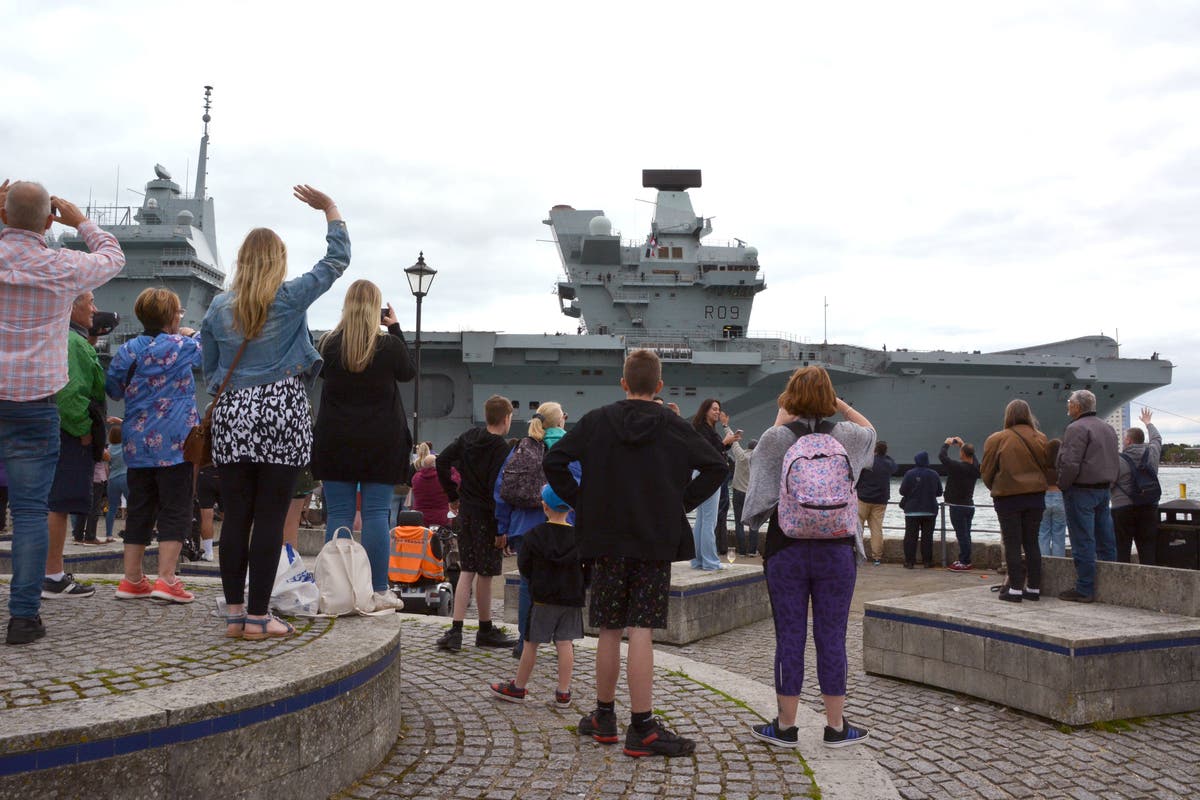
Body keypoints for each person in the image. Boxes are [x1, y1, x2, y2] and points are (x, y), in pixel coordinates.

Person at [545, 349, 726, 758]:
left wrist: (582, 502)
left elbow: (555, 460)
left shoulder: (597, 420)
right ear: (659, 386)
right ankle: (642, 726)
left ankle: (604, 717)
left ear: (623, 383)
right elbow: (717, 466)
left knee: (608, 628)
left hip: (605, 539)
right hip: (653, 539)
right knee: (641, 628)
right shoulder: (674, 425)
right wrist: (679, 503)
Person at [201, 184, 348, 639]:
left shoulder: (218, 306)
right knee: (270, 516)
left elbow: (209, 367)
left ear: (243, 260)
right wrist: (330, 210)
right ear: (277, 261)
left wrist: (233, 393)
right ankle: (260, 615)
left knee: (236, 516)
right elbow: (335, 263)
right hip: (282, 410)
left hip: (233, 413)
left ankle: (233, 614)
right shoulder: (287, 298)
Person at [1, 179, 124, 644]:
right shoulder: (61, 266)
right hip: (34, 404)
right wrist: (81, 221)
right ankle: (24, 618)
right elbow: (113, 258)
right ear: (50, 219)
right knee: (32, 512)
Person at [742, 365, 876, 748]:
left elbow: (755, 507)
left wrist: (777, 426)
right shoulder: (849, 436)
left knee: (790, 637)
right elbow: (872, 433)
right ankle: (836, 727)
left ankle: (786, 727)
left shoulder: (774, 438)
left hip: (787, 550)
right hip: (837, 550)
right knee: (832, 636)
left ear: (790, 398)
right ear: (830, 398)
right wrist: (842, 407)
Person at [312, 279, 415, 611]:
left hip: (337, 438)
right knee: (376, 515)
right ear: (376, 308)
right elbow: (408, 373)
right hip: (380, 441)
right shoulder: (388, 347)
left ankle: (335, 589)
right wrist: (395, 326)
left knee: (338, 514)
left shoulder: (327, 345)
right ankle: (379, 590)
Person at [106, 287, 203, 603]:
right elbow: (210, 350)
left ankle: (132, 579)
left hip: (137, 445)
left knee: (139, 509)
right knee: (175, 508)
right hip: (176, 444)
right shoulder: (182, 345)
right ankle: (166, 579)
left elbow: (114, 390)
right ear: (172, 316)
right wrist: (189, 332)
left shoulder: (127, 351)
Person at [488, 484, 587, 706]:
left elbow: (525, 566)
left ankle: (519, 687)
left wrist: (535, 584)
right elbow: (588, 569)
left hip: (542, 598)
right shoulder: (579, 537)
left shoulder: (534, 536)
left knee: (531, 643)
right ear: (570, 509)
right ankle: (563, 692)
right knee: (565, 643)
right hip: (570, 600)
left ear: (544, 507)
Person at [495, 402, 580, 658]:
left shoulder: (523, 447)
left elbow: (503, 488)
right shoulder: (571, 450)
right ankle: (563, 643)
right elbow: (581, 488)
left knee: (527, 585)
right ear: (561, 420)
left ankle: (524, 642)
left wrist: (502, 527)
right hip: (565, 527)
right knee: (564, 587)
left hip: (526, 529)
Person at [435, 395, 519, 651]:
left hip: (466, 513)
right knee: (485, 574)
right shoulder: (502, 449)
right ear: (506, 419)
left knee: (466, 570)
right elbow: (499, 490)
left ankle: (456, 630)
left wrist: (453, 494)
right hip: (487, 516)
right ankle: (485, 630)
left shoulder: (469, 436)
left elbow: (441, 461)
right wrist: (501, 528)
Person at [44, 291, 106, 600]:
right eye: (90, 302)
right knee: (59, 504)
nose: (95, 309)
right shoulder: (73, 343)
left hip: (56, 430)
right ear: (71, 306)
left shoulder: (63, 338)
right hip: (69, 435)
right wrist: (83, 431)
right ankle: (52, 575)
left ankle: (47, 572)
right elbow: (70, 394)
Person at [981, 399, 1050, 602]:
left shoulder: (997, 439)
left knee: (1012, 543)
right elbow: (1047, 467)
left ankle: (1015, 590)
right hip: (1036, 497)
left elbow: (986, 471)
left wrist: (996, 486)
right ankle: (1034, 588)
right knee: (1032, 543)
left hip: (1008, 498)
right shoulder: (1041, 438)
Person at [1056, 389, 1119, 603]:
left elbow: (1070, 462)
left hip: (1081, 489)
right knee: (1106, 540)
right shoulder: (1108, 428)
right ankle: (1112, 585)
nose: (1068, 406)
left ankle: (1084, 588)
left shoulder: (1075, 428)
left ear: (1077, 407)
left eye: (1069, 403)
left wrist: (1063, 485)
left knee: (1083, 539)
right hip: (1104, 490)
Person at [689, 399, 740, 570]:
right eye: (714, 409)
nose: (717, 412)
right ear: (705, 410)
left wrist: (729, 442)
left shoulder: (704, 428)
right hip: (709, 475)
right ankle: (710, 562)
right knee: (709, 521)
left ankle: (698, 560)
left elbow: (715, 449)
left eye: (719, 409)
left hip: (701, 473)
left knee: (702, 520)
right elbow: (708, 450)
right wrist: (725, 442)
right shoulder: (704, 429)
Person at [1111, 408, 1162, 565]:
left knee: (1122, 548)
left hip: (1122, 509)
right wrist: (1148, 423)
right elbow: (1157, 439)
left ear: (1128, 441)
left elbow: (1110, 483)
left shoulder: (1117, 460)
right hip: (1148, 506)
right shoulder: (1152, 453)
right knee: (1147, 548)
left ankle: (1123, 581)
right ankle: (1149, 583)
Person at [940, 436, 981, 570]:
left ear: (962, 454)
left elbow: (942, 457)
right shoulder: (975, 468)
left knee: (961, 535)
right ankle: (966, 559)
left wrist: (946, 444)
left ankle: (964, 561)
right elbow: (974, 458)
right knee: (966, 533)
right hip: (969, 505)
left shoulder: (957, 467)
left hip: (957, 506)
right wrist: (962, 444)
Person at [898, 452, 942, 569]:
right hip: (930, 510)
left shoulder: (909, 473)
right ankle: (927, 561)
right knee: (927, 537)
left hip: (912, 510)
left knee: (910, 537)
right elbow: (939, 492)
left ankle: (909, 562)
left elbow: (902, 491)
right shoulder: (934, 474)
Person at [855, 441, 895, 566]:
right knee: (877, 529)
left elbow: (857, 476)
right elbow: (895, 467)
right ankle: (877, 557)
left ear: (874, 450)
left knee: (858, 528)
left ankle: (858, 555)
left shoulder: (867, 462)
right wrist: (885, 455)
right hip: (880, 501)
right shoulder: (888, 463)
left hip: (863, 499)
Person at [729, 437, 758, 556]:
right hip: (751, 494)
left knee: (738, 523)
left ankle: (741, 551)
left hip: (738, 493)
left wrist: (726, 427)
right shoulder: (757, 459)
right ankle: (752, 551)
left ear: (747, 447)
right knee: (754, 522)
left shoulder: (740, 455)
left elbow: (734, 443)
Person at [1038, 440, 1067, 558]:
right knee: (1059, 535)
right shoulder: (1063, 468)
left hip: (1044, 498)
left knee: (1043, 533)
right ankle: (1058, 564)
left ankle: (1044, 563)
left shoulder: (1042, 467)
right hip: (1060, 498)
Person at [104, 421, 127, 544]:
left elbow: (107, 467)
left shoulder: (109, 449)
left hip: (113, 479)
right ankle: (129, 531)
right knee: (133, 506)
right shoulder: (125, 446)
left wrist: (109, 479)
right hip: (126, 476)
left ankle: (108, 535)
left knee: (112, 508)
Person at [196, 464, 221, 561]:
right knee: (230, 517)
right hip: (225, 474)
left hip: (205, 473)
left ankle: (209, 553)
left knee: (206, 516)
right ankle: (234, 549)